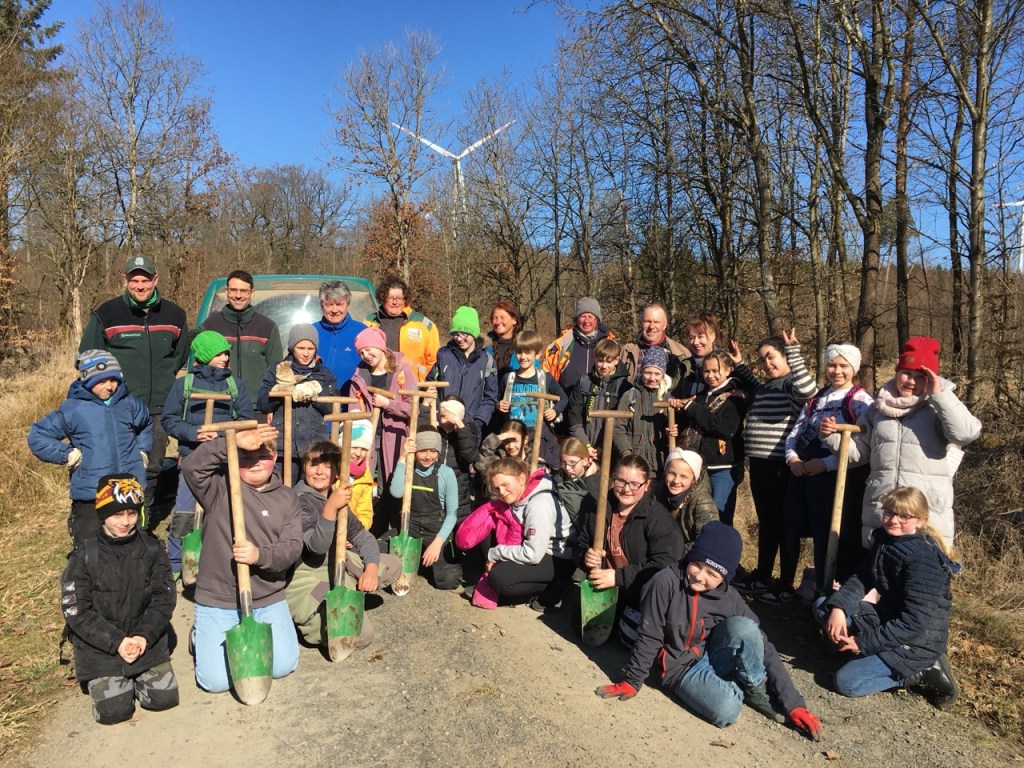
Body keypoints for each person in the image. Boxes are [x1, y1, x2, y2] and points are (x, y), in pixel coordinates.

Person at [595, 522, 822, 742]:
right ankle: (732, 685)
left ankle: (754, 689)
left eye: (712, 574)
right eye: (697, 565)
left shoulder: (729, 597)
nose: (700, 577)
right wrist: (632, 681)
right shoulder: (664, 582)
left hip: (711, 652)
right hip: (679, 665)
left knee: (747, 627)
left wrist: (795, 704)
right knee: (727, 710)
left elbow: (763, 644)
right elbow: (649, 634)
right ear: (690, 557)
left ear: (725, 578)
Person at [824, 336, 981, 550]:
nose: (911, 381)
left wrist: (940, 395)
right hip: (883, 510)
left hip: (924, 514)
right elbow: (858, 453)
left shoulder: (939, 408)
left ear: (932, 378)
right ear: (897, 372)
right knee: (879, 575)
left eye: (921, 376)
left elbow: (966, 433)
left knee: (919, 577)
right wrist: (832, 436)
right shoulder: (877, 410)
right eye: (906, 373)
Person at [181, 424, 302, 693]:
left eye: (262, 455)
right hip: (219, 599)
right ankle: (200, 634)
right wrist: (230, 443)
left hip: (267, 597)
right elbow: (191, 467)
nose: (255, 462)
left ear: (275, 458)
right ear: (234, 460)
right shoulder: (219, 489)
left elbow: (293, 547)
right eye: (246, 457)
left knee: (283, 666)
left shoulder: (287, 498)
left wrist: (259, 555)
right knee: (216, 683)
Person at [820, 487, 959, 709]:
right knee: (823, 608)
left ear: (920, 521)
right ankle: (862, 652)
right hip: (887, 617)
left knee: (847, 683)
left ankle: (921, 673)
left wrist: (861, 642)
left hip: (915, 642)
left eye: (904, 516)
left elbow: (914, 623)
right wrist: (839, 608)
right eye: (889, 513)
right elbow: (862, 577)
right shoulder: (886, 541)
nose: (894, 520)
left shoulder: (923, 561)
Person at [60, 474, 178, 725]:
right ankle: (113, 684)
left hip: (144, 640)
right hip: (100, 646)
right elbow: (75, 610)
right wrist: (116, 642)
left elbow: (164, 598)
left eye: (131, 514)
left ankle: (135, 678)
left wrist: (142, 636)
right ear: (103, 514)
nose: (125, 522)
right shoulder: (83, 556)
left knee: (164, 699)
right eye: (117, 515)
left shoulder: (153, 549)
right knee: (114, 712)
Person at [79, 255, 188, 513]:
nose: (140, 286)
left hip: (159, 407)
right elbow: (87, 356)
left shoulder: (174, 314)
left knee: (152, 465)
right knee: (116, 463)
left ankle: (141, 519)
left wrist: (164, 377)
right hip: (119, 404)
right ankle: (112, 518)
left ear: (155, 280)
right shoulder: (107, 314)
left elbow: (180, 355)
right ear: (125, 280)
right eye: (134, 280)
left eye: (145, 280)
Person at [771, 343, 873, 602]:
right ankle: (805, 587)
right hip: (805, 474)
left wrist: (826, 464)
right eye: (832, 365)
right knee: (801, 528)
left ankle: (835, 592)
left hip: (838, 480)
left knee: (833, 535)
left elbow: (863, 448)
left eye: (843, 366)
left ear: (854, 368)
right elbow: (796, 431)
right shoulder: (816, 398)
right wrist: (792, 458)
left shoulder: (862, 402)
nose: (836, 371)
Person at [29, 350, 152, 548]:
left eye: (113, 379)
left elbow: (146, 424)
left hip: (129, 488)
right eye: (101, 381)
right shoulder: (73, 409)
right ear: (86, 380)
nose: (110, 386)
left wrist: (143, 451)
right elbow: (37, 435)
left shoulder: (129, 403)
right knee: (89, 546)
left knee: (133, 542)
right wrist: (66, 454)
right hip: (91, 493)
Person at [287, 440, 402, 649]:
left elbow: (363, 537)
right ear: (304, 467)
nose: (320, 472)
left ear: (338, 473)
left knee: (392, 563)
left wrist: (371, 569)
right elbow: (316, 546)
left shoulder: (334, 497)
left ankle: (350, 593)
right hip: (310, 575)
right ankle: (315, 618)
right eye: (314, 464)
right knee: (363, 636)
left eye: (328, 466)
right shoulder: (298, 502)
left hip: (340, 565)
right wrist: (330, 509)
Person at [728, 329, 816, 596]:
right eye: (763, 360)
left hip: (782, 466)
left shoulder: (791, 385)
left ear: (785, 356)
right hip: (760, 465)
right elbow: (755, 384)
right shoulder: (767, 386)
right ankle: (764, 574)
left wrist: (795, 354)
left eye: (772, 357)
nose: (767, 363)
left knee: (786, 523)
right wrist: (740, 364)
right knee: (767, 521)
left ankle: (785, 582)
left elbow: (808, 393)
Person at [161, 330, 254, 575]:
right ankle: (178, 563)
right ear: (204, 355)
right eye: (219, 353)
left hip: (224, 461)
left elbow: (246, 421)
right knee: (184, 512)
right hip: (192, 458)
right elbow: (169, 420)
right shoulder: (184, 385)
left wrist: (222, 436)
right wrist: (194, 432)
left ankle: (221, 560)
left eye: (226, 353)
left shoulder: (235, 386)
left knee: (224, 510)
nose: (225, 357)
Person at [575, 453, 684, 645]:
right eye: (620, 481)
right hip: (605, 588)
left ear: (647, 485)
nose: (626, 489)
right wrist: (585, 556)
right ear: (613, 479)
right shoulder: (598, 507)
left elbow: (665, 566)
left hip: (641, 592)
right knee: (579, 626)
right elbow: (581, 542)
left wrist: (619, 577)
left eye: (635, 484)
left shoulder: (657, 519)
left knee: (629, 637)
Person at [455, 457, 572, 608]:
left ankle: (546, 588)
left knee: (499, 579)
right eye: (497, 488)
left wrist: (497, 553)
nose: (502, 492)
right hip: (530, 545)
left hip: (555, 556)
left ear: (522, 479)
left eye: (505, 484)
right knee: (489, 527)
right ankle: (494, 579)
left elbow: (533, 554)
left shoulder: (539, 505)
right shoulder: (517, 497)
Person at [672, 349, 748, 525]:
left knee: (719, 515)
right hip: (699, 466)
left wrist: (692, 407)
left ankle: (721, 551)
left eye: (716, 371)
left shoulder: (735, 397)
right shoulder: (701, 397)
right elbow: (693, 423)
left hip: (723, 467)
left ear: (728, 370)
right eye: (707, 371)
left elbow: (725, 429)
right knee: (697, 515)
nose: (711, 375)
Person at [256, 323, 339, 477]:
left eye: (311, 349)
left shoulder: (325, 374)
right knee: (283, 493)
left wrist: (314, 396)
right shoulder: (278, 370)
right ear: (292, 348)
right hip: (282, 444)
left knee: (312, 492)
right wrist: (282, 391)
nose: (306, 354)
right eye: (301, 348)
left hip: (314, 446)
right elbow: (262, 403)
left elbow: (332, 407)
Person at [343, 326, 416, 498]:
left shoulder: (402, 372)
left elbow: (414, 408)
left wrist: (388, 404)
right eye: (361, 353)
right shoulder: (358, 377)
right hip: (368, 437)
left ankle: (390, 522)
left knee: (392, 484)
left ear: (380, 346)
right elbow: (354, 411)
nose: (365, 356)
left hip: (395, 435)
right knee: (363, 482)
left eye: (368, 350)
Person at [387, 428, 463, 589]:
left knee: (448, 581)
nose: (428, 456)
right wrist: (402, 457)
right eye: (422, 451)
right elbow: (396, 492)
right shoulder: (409, 469)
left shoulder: (446, 473)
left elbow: (452, 514)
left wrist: (437, 543)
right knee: (381, 555)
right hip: (410, 527)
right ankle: (419, 559)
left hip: (435, 529)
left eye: (433, 451)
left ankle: (426, 561)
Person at [199, 269, 283, 410]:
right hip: (218, 406)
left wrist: (272, 407)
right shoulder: (209, 326)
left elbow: (277, 372)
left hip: (257, 408)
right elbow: (199, 369)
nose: (238, 296)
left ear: (252, 292)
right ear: (227, 291)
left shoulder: (267, 327)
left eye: (244, 291)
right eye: (233, 290)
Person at [495, 330, 567, 468]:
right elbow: (496, 400)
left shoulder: (545, 378)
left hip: (538, 436)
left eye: (528, 352)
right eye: (519, 352)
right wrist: (499, 405)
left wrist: (555, 411)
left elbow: (563, 398)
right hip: (513, 438)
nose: (523, 357)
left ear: (538, 354)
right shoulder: (508, 379)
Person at [427, 306, 497, 439]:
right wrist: (437, 410)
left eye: (464, 333)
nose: (459, 338)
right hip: (442, 425)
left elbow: (490, 397)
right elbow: (430, 384)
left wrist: (479, 422)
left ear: (474, 333)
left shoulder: (486, 360)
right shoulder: (443, 355)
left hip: (470, 428)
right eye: (455, 333)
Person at [564, 338, 631, 459]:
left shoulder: (624, 387)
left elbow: (622, 425)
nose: (604, 366)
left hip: (612, 451)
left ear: (616, 360)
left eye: (608, 361)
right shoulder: (584, 382)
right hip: (584, 447)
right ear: (594, 358)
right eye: (600, 361)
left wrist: (602, 449)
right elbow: (574, 416)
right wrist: (586, 445)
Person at [364, 275, 440, 382]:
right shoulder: (369, 322)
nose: (395, 302)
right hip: (377, 384)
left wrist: (424, 384)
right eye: (390, 298)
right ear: (382, 298)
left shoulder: (425, 325)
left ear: (405, 299)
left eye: (399, 298)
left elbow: (434, 361)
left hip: (412, 388)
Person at [613, 347, 671, 474]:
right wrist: (626, 453)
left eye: (657, 374)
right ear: (641, 371)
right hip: (632, 464)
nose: (651, 378)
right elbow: (618, 428)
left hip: (659, 466)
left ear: (663, 375)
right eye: (647, 372)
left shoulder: (667, 399)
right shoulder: (630, 396)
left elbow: (672, 431)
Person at [542, 297, 615, 392]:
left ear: (597, 319)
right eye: (583, 316)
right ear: (577, 319)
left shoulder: (610, 344)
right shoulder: (562, 345)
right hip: (565, 404)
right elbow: (546, 377)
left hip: (600, 404)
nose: (586, 321)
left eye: (590, 316)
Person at [652, 448, 718, 551]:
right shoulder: (656, 493)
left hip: (686, 556)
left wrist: (677, 553)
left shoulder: (702, 502)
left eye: (683, 476)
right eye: (672, 474)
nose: (676, 481)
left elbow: (707, 539)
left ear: (693, 479)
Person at [620, 302, 691, 383]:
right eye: (647, 321)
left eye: (656, 322)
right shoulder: (626, 352)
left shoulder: (681, 354)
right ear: (641, 322)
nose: (651, 326)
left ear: (665, 325)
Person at [314, 280, 367, 384]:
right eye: (329, 304)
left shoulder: (363, 332)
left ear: (348, 305)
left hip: (351, 398)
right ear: (322, 306)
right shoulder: (311, 332)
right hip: (315, 398)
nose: (334, 310)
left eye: (339, 304)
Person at [672, 310, 720, 399]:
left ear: (712, 336)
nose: (695, 342)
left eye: (700, 337)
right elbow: (675, 394)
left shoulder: (724, 364)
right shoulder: (683, 365)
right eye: (691, 338)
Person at [485, 299, 523, 383]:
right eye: (495, 318)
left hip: (516, 395)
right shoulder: (484, 348)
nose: (498, 322)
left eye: (502, 317)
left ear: (514, 320)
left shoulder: (524, 346)